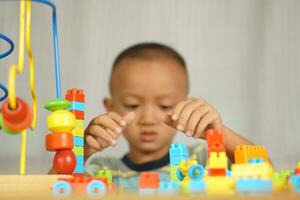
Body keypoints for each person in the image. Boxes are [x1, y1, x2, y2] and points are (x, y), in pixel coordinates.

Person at [84, 42, 252, 188]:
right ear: (110, 107)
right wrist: (81, 152)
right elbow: (59, 190)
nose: (148, 119)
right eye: (132, 105)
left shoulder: (201, 160)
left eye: (165, 105)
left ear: (186, 107)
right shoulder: (101, 170)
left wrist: (218, 134)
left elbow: (263, 174)